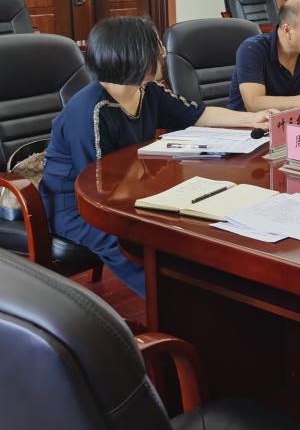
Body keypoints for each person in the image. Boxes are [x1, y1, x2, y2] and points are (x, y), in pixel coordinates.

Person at [39, 17, 273, 296]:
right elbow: (97, 190)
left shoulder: (147, 91)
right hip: (77, 206)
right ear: (133, 54)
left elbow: (197, 114)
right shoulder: (91, 111)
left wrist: (252, 118)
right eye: (156, 45)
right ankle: (170, 304)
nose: (162, 52)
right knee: (128, 240)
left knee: (192, 222)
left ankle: (204, 293)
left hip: (128, 189)